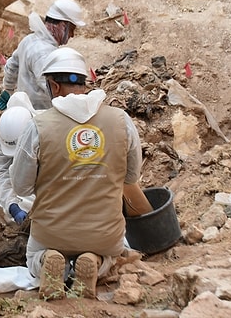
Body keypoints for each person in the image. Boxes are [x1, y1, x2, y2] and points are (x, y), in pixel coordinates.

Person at [9, 47, 153, 300]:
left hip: (51, 233)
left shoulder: (38, 126)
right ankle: (97, 261)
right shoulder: (121, 120)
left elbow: (20, 187)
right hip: (104, 234)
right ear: (85, 83)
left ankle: (47, 261)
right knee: (113, 252)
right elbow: (131, 178)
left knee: (33, 256)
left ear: (53, 86)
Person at [0, 0, 86, 111]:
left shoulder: (29, 40)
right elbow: (53, 89)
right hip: (39, 114)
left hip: (24, 109)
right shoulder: (45, 53)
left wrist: (8, 90)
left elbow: (12, 66)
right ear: (63, 26)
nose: (72, 35)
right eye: (71, 29)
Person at [0, 93, 37, 224]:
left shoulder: (44, 132)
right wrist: (12, 206)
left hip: (48, 191)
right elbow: (2, 174)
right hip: (23, 191)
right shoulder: (3, 140)